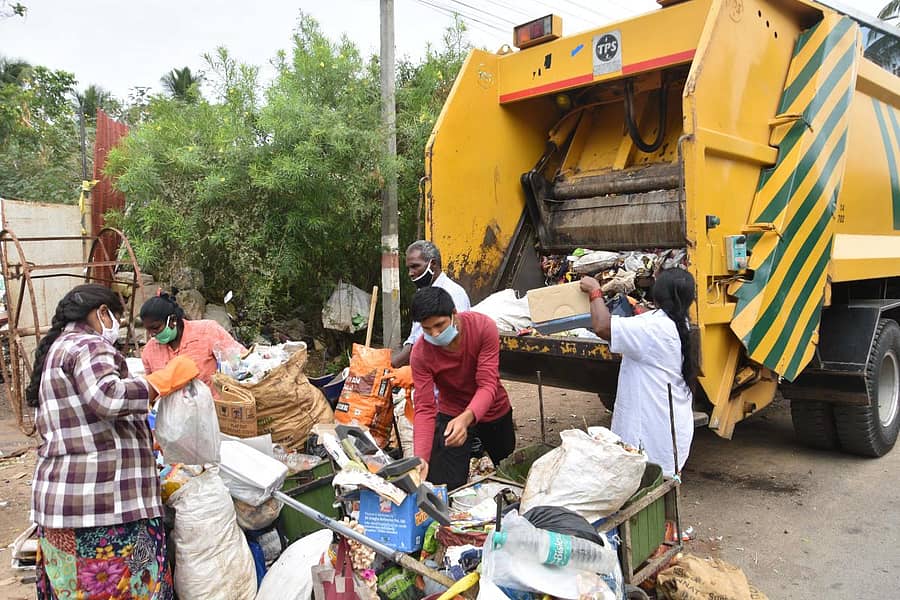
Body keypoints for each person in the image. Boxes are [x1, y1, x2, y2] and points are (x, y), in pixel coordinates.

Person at [27, 283, 197, 600]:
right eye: (115, 316)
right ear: (102, 313)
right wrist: (157, 383)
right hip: (104, 514)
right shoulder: (87, 345)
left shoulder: (59, 348)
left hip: (65, 508)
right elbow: (107, 397)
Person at [579, 268, 698, 476]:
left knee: (643, 485)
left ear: (658, 295)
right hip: (670, 429)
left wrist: (595, 292)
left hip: (651, 434)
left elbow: (602, 327)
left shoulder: (655, 328)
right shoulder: (677, 322)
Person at [409, 286, 515, 490]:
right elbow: (424, 408)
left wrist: (466, 419)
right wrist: (420, 457)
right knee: (445, 483)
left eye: (440, 325)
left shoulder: (483, 327)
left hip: (493, 410)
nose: (435, 334)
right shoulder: (420, 353)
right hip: (451, 412)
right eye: (427, 329)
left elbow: (487, 384)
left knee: (508, 473)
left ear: (454, 314)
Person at [140, 291, 246, 396]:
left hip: (212, 408)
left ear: (172, 320)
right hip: (172, 411)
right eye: (148, 330)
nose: (151, 334)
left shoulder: (207, 331)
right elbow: (152, 390)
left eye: (155, 328)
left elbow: (241, 360)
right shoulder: (149, 351)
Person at [391, 240, 470, 369]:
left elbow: (454, 339)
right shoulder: (422, 292)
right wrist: (391, 365)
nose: (410, 273)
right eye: (409, 268)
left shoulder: (454, 293)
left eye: (415, 266)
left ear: (432, 264)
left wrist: (394, 365)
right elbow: (414, 338)